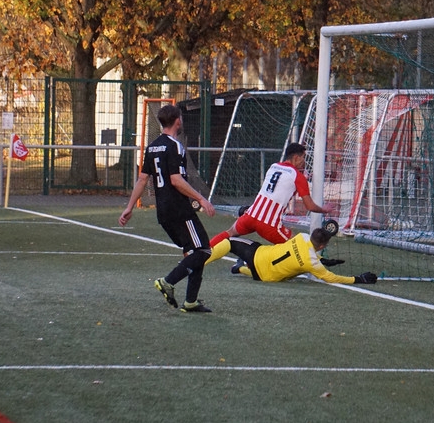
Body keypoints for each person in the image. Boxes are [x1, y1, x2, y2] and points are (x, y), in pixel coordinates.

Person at [119, 103, 217, 313]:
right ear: (178, 121)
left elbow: (142, 179)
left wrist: (129, 207)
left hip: (163, 210)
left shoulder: (152, 147)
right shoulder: (175, 146)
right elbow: (176, 180)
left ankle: (191, 301)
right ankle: (168, 281)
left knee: (193, 251)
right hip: (179, 209)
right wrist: (202, 199)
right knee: (203, 250)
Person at [210, 142, 331, 248]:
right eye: (303, 157)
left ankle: (204, 250)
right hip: (268, 223)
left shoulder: (274, 166)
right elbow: (309, 206)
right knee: (296, 246)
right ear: (296, 157)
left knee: (230, 233)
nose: (304, 161)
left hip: (251, 215)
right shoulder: (298, 177)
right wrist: (324, 209)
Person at [208, 227, 378, 286]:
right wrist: (358, 279)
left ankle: (201, 260)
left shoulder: (302, 236)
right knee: (294, 270)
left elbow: (304, 250)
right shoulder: (312, 263)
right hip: (265, 277)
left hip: (258, 256)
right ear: (322, 246)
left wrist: (322, 260)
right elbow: (331, 278)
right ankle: (239, 269)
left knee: (229, 241)